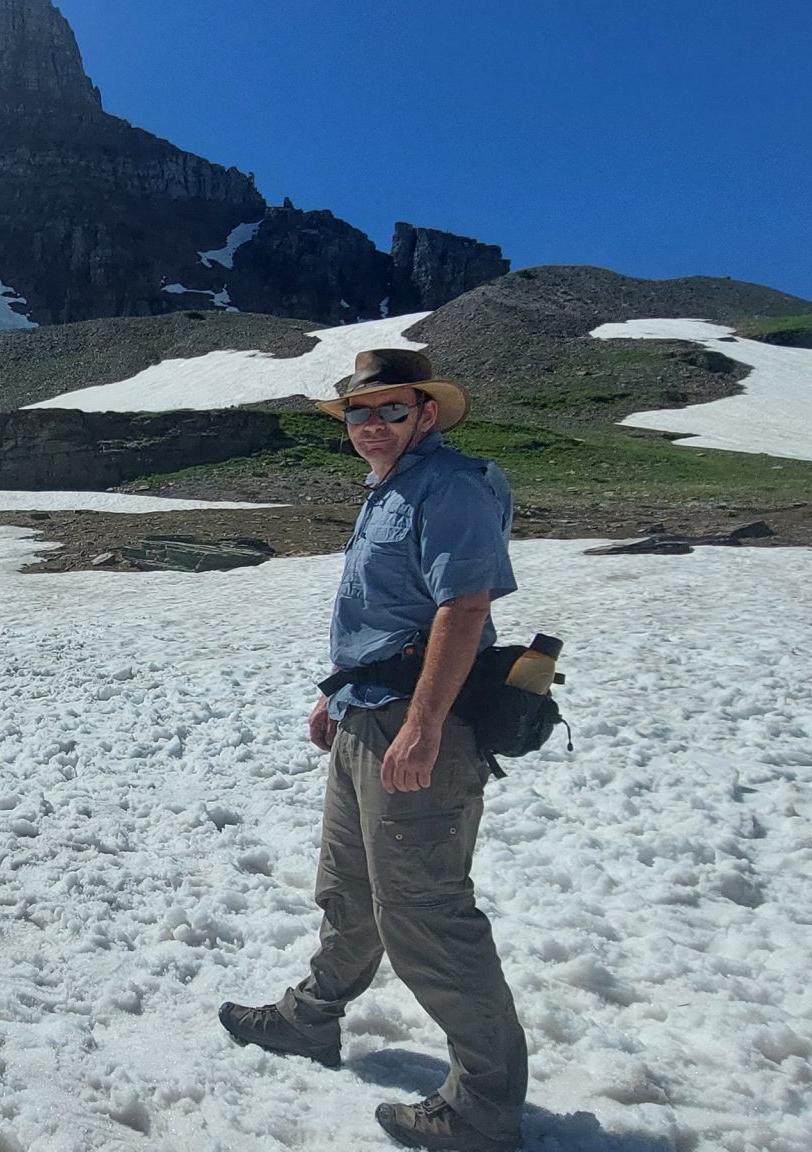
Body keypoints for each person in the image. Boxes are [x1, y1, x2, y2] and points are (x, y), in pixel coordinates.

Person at [218, 348, 528, 1152]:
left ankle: (484, 1108)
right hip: (368, 713)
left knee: (426, 913)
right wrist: (338, 693)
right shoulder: (388, 491)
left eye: (393, 409)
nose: (372, 425)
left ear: (427, 412)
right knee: (348, 889)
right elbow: (393, 617)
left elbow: (465, 608)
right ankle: (310, 1020)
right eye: (360, 412)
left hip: (417, 727)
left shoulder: (448, 487)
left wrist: (424, 724)